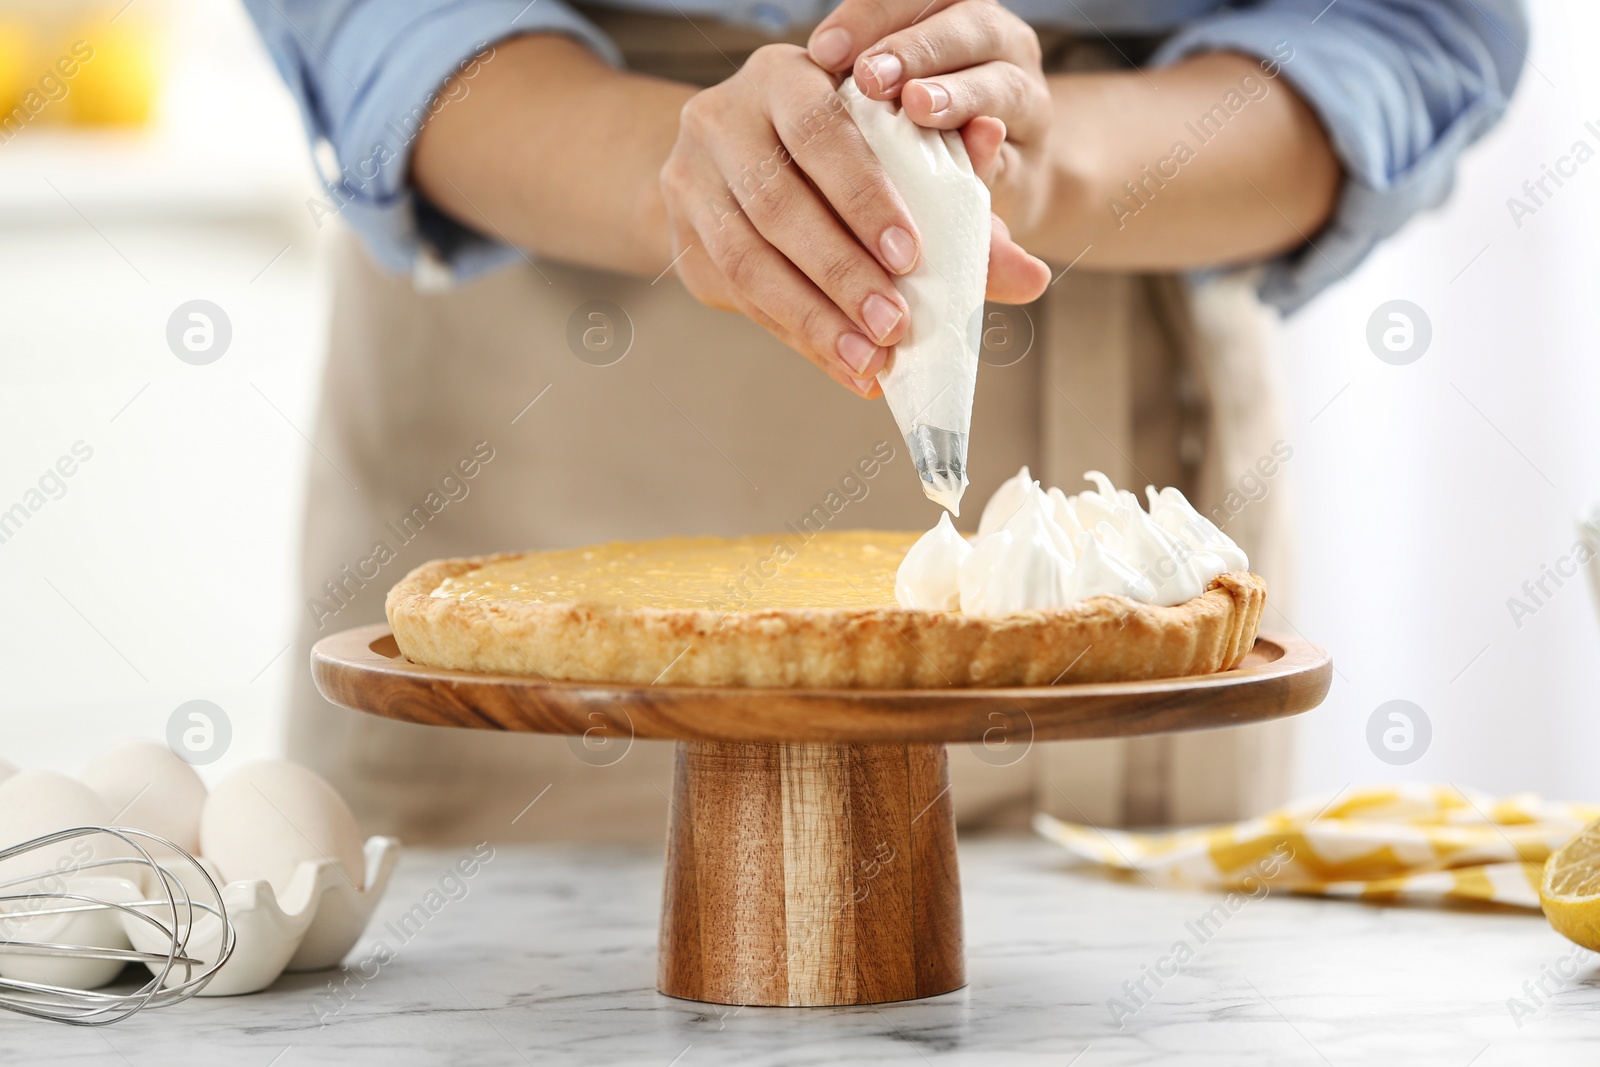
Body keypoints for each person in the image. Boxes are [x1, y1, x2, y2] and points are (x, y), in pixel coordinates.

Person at [245, 0, 1526, 843]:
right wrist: (680, 184)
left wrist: (1051, 160)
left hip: (1125, 401)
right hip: (555, 397)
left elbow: (1410, 21)